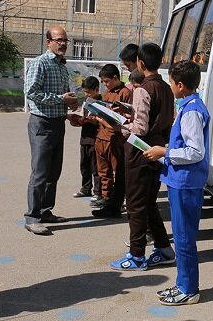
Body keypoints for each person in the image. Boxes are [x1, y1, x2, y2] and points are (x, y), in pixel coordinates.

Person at [144, 60, 209, 305]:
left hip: (185, 183)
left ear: (180, 85)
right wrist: (167, 150)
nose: (170, 85)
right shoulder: (190, 105)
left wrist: (164, 152)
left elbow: (195, 152)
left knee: (183, 238)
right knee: (182, 237)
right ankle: (183, 283)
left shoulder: (191, 110)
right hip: (180, 180)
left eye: (170, 81)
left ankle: (189, 290)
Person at [110, 42, 175, 271]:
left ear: (141, 63)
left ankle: (137, 255)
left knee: (136, 205)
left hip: (140, 151)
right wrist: (131, 113)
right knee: (148, 203)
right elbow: (162, 117)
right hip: (158, 150)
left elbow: (140, 128)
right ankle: (164, 249)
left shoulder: (142, 89)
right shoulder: (166, 87)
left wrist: (120, 126)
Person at [24, 26, 78, 235]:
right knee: (40, 171)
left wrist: (70, 104)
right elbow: (31, 92)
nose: (63, 44)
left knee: (53, 171)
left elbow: (62, 95)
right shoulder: (40, 63)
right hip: (42, 123)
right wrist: (60, 100)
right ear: (48, 42)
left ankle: (46, 211)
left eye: (65, 40)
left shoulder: (62, 66)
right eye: (58, 40)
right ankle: (32, 217)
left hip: (58, 122)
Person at [91, 64, 131, 216]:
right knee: (103, 172)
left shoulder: (125, 93)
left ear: (115, 78)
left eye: (107, 81)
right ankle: (107, 201)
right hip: (101, 137)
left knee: (118, 173)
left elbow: (126, 118)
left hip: (115, 139)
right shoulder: (107, 92)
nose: (105, 85)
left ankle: (117, 203)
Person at [69, 76, 102, 200]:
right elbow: (82, 116)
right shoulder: (86, 102)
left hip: (96, 139)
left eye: (88, 92)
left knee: (96, 167)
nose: (86, 94)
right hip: (85, 138)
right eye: (84, 92)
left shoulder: (101, 103)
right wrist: (76, 120)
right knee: (84, 165)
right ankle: (86, 188)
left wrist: (92, 120)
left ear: (97, 89)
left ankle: (98, 191)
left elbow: (102, 121)